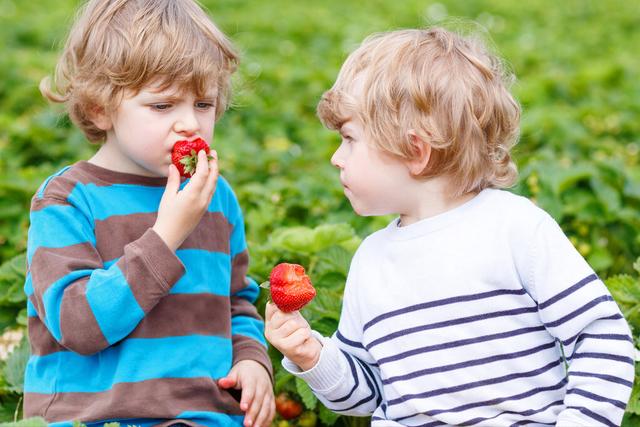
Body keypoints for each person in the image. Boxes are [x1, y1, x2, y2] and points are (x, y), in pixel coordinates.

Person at [265, 27, 635, 426]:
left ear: (416, 151)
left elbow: (600, 335)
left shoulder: (514, 228)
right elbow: (370, 390)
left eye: (349, 139)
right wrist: (313, 355)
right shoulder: (371, 261)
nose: (337, 158)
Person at [24, 1, 274, 426]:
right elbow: (78, 326)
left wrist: (251, 360)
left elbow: (235, 302)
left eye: (203, 104)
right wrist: (165, 237)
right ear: (100, 107)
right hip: (95, 417)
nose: (189, 124)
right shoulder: (67, 200)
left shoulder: (215, 196)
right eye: (163, 106)